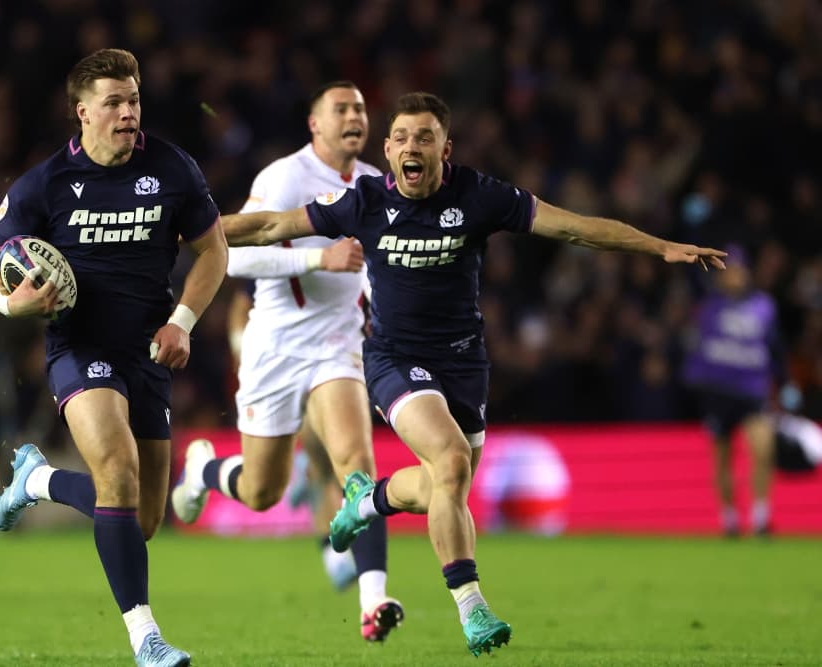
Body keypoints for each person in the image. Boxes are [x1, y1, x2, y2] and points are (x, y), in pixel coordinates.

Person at [219, 91, 727, 657]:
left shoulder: (480, 195)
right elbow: (269, 226)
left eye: (425, 137)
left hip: (463, 363)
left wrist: (660, 247)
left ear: (445, 148)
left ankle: (367, 501)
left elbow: (574, 228)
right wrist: (193, 227)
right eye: (402, 137)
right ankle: (472, 606)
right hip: (393, 360)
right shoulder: (363, 200)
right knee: (451, 459)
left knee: (444, 485)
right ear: (387, 151)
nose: (412, 146)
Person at [0, 48, 227, 667]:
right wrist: (9, 303)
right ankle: (147, 639)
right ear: (82, 113)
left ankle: (37, 480)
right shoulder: (45, 183)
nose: (128, 112)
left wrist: (182, 321)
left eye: (133, 100)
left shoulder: (172, 168)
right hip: (80, 347)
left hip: (149, 351)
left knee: (143, 518)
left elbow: (214, 250)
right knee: (116, 470)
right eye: (114, 102)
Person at [171, 81, 403, 641]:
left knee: (357, 466)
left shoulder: (375, 183)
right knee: (261, 491)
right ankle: (203, 470)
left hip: (337, 346)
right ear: (315, 124)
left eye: (360, 108)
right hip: (274, 347)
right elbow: (231, 258)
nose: (354, 116)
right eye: (340, 109)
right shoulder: (284, 178)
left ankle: (373, 601)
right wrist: (319, 259)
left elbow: (374, 266)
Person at [225, 283, 357, 591]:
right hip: (277, 367)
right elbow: (240, 305)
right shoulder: (278, 264)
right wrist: (240, 350)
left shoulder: (348, 263)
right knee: (264, 488)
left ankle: (333, 552)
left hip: (331, 361)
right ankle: (302, 471)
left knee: (327, 457)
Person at [682, 245, 785, 536]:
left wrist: (783, 384)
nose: (735, 276)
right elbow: (697, 349)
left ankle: (761, 517)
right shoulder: (709, 307)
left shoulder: (764, 306)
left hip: (752, 390)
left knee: (763, 450)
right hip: (719, 392)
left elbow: (775, 348)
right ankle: (729, 518)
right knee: (723, 458)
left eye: (739, 270)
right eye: (730, 271)